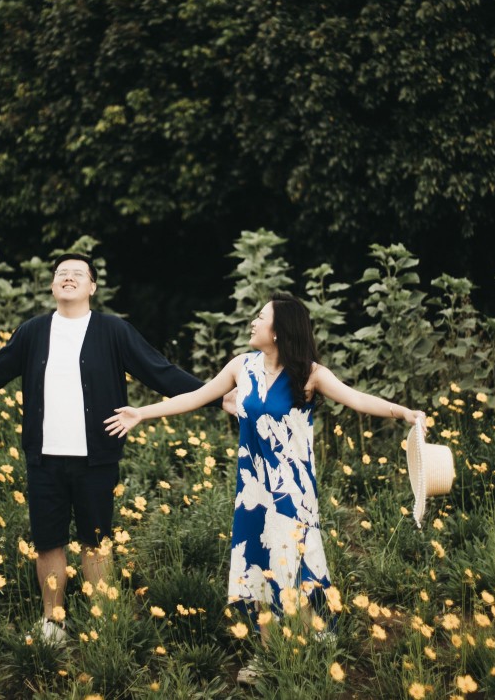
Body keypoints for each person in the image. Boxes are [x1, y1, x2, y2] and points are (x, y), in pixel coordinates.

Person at [104, 291, 424, 684]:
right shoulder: (242, 367)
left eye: (261, 317)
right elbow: (195, 397)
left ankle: (302, 649)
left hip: (293, 491)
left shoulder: (310, 374)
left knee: (289, 566)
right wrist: (141, 413)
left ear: (278, 331)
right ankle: (269, 656)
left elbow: (357, 399)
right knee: (257, 565)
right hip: (253, 489)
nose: (253, 322)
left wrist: (403, 412)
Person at [0, 253, 203, 646]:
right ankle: (53, 624)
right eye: (62, 273)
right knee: (48, 542)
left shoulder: (113, 331)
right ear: (52, 285)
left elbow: (160, 371)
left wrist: (215, 395)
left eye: (78, 273)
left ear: (93, 286)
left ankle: (103, 623)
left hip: (96, 457)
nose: (69, 278)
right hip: (44, 459)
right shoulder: (33, 332)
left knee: (96, 541)